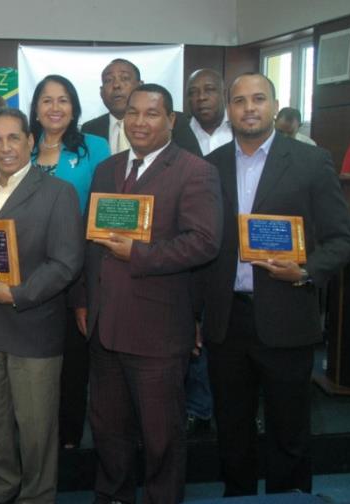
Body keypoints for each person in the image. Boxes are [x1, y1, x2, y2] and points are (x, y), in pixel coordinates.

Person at [201, 73, 350, 496]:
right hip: (226, 321)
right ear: (229, 110)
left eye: (258, 99)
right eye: (239, 101)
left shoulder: (311, 161)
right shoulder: (210, 165)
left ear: (273, 105)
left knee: (289, 433)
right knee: (232, 431)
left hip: (287, 315)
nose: (249, 108)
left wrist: (305, 270)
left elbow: (343, 240)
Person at [82, 83, 223, 503]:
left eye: (151, 113)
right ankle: (113, 497)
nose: (139, 122)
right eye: (132, 113)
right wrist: (82, 301)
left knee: (162, 436)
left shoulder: (195, 171)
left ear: (171, 120)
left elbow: (204, 242)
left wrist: (139, 254)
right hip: (105, 326)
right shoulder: (107, 170)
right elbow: (90, 241)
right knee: (108, 430)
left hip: (157, 330)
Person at [0, 107, 84, 504]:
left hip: (33, 325)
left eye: (14, 137)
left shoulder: (58, 193)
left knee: (36, 427)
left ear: (31, 142)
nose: (5, 147)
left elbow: (66, 263)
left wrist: (18, 294)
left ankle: (36, 495)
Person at [28, 74, 109, 450]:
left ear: (74, 108)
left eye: (63, 100)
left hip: (78, 272)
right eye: (47, 100)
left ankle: (69, 438)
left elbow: (104, 211)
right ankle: (35, 435)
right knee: (34, 357)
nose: (55, 107)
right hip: (30, 272)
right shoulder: (23, 147)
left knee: (74, 358)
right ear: (35, 109)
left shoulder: (95, 147)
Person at [183, 67, 233, 438]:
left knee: (234, 335)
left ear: (223, 94)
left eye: (210, 89)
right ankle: (198, 408)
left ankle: (239, 407)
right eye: (194, 92)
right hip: (190, 247)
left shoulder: (242, 131)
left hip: (236, 250)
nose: (201, 97)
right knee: (193, 332)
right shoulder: (176, 133)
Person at [82, 59, 201, 156]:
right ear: (101, 92)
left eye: (124, 78)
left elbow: (194, 166)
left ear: (140, 86)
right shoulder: (90, 129)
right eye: (108, 80)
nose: (116, 85)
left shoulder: (172, 121)